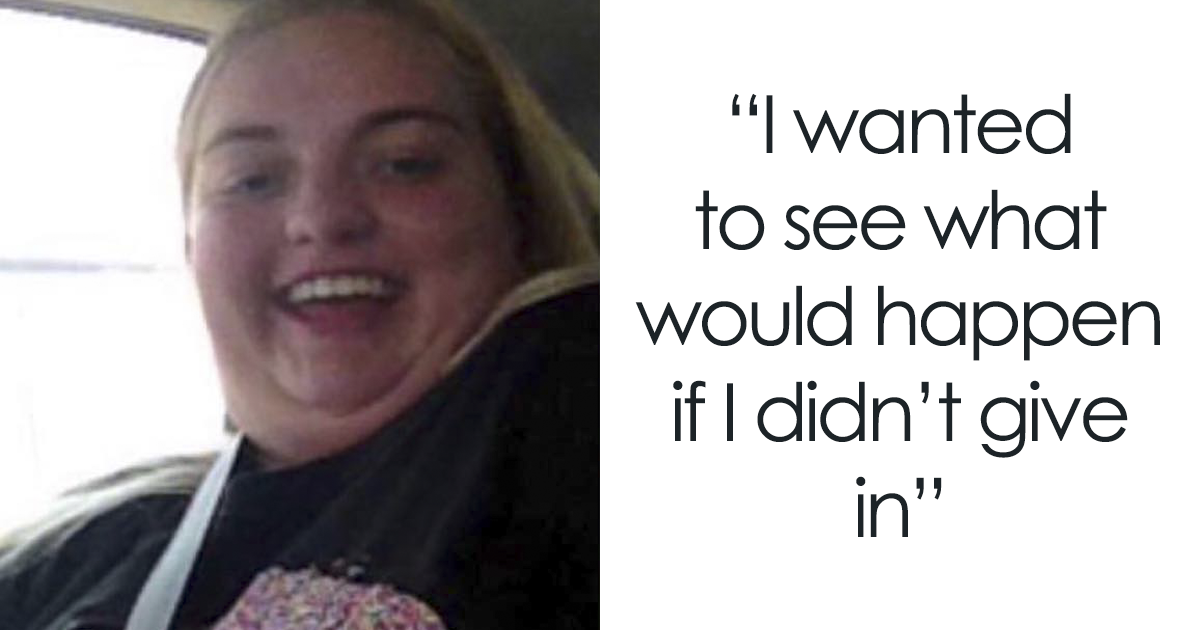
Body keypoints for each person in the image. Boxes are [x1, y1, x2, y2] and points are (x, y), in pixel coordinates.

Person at [0, 0, 598, 628]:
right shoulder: (84, 548)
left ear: (518, 212)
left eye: (404, 164)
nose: (321, 217)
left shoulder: (577, 410)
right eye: (252, 179)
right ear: (192, 247)